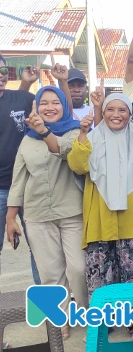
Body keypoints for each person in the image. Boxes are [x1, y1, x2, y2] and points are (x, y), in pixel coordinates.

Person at [67, 93, 133, 338]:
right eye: (111, 110)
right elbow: (78, 165)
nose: (116, 115)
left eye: (122, 110)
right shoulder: (92, 138)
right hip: (100, 214)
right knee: (99, 271)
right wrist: (83, 133)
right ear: (103, 113)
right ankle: (102, 322)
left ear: (130, 114)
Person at [6, 86, 88, 339]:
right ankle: (58, 320)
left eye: (55, 102)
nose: (49, 107)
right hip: (37, 214)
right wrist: (10, 217)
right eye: (44, 103)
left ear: (64, 105)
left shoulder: (75, 132)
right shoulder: (27, 139)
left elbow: (67, 153)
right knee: (49, 272)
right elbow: (19, 179)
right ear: (36, 107)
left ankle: (86, 315)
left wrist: (45, 132)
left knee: (79, 269)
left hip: (72, 211)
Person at [0, 53, 41, 290]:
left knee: (38, 246)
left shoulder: (21, 96)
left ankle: (47, 302)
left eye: (3, 71)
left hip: (28, 186)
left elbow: (56, 108)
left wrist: (26, 82)